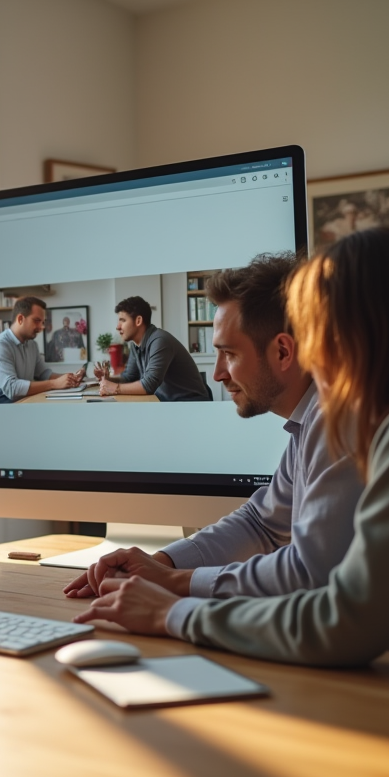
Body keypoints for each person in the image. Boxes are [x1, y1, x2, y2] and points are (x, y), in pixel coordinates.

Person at [74, 227, 389, 683]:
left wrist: (172, 611)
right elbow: (266, 521)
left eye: (313, 328)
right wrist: (165, 568)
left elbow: (344, 619)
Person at [64, 253, 363, 602]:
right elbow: (260, 523)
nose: (218, 373)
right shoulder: (308, 420)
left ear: (283, 352)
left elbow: (310, 574)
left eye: (229, 354)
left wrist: (176, 585)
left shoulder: (337, 422)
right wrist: (160, 562)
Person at [93, 295, 210, 401]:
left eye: (123, 320)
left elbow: (149, 385)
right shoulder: (136, 345)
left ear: (138, 321)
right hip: (167, 403)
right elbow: (129, 378)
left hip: (190, 404)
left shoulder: (160, 340)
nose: (117, 327)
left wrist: (115, 388)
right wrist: (108, 380)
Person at [0, 296, 82, 403]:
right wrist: (55, 383)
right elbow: (11, 388)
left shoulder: (32, 344)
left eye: (43, 322)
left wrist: (71, 378)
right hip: (0, 400)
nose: (42, 327)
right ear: (20, 319)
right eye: (37, 321)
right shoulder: (0, 344)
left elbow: (44, 374)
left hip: (22, 398)